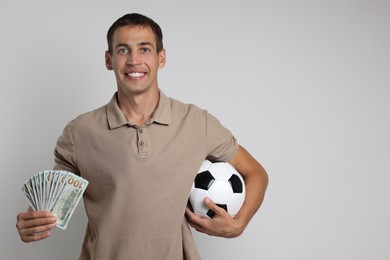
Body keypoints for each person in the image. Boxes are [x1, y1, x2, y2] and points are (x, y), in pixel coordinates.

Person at [16, 13, 268, 259]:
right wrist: (32, 224)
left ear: (161, 58)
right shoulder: (79, 132)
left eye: (144, 49)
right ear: (109, 59)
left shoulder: (197, 123)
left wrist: (239, 223)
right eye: (123, 50)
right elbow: (48, 203)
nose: (134, 60)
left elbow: (255, 172)